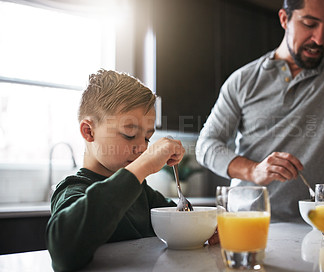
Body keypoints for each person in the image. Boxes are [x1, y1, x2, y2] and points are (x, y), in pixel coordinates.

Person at [196, 0, 324, 222]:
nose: (320, 39)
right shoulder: (242, 81)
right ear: (284, 19)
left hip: (321, 222)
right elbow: (206, 145)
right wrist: (253, 170)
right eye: (310, 24)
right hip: (250, 220)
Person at [46, 70, 217, 272]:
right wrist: (143, 166)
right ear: (89, 131)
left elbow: (182, 221)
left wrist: (211, 228)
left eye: (147, 138)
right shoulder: (72, 189)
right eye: (129, 134)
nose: (143, 148)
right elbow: (64, 251)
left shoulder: (142, 194)